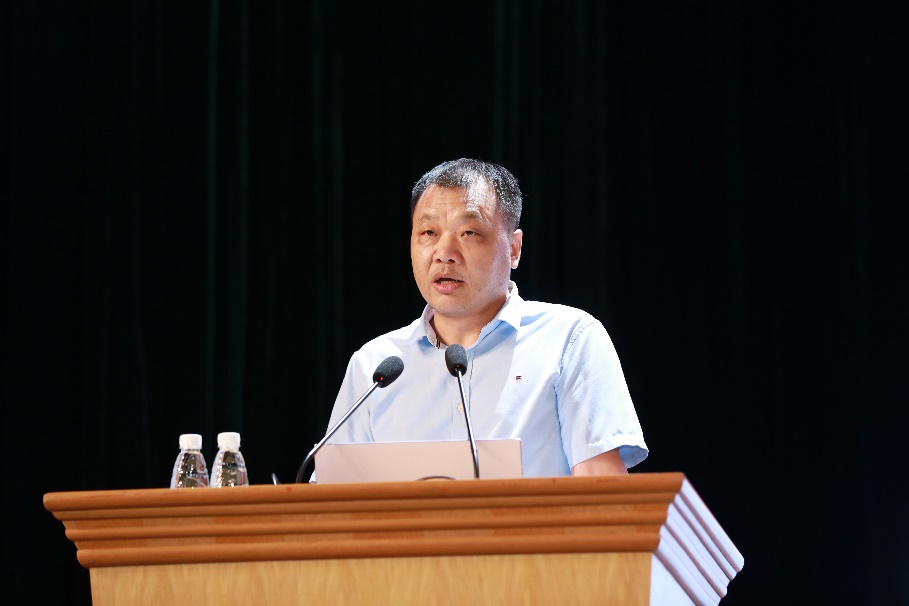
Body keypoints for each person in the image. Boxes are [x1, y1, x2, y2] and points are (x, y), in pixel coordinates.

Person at [321, 158, 647, 477]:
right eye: (429, 232)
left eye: (469, 233)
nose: (444, 253)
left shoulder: (568, 340)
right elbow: (334, 498)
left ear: (514, 248)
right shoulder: (375, 365)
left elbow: (601, 488)